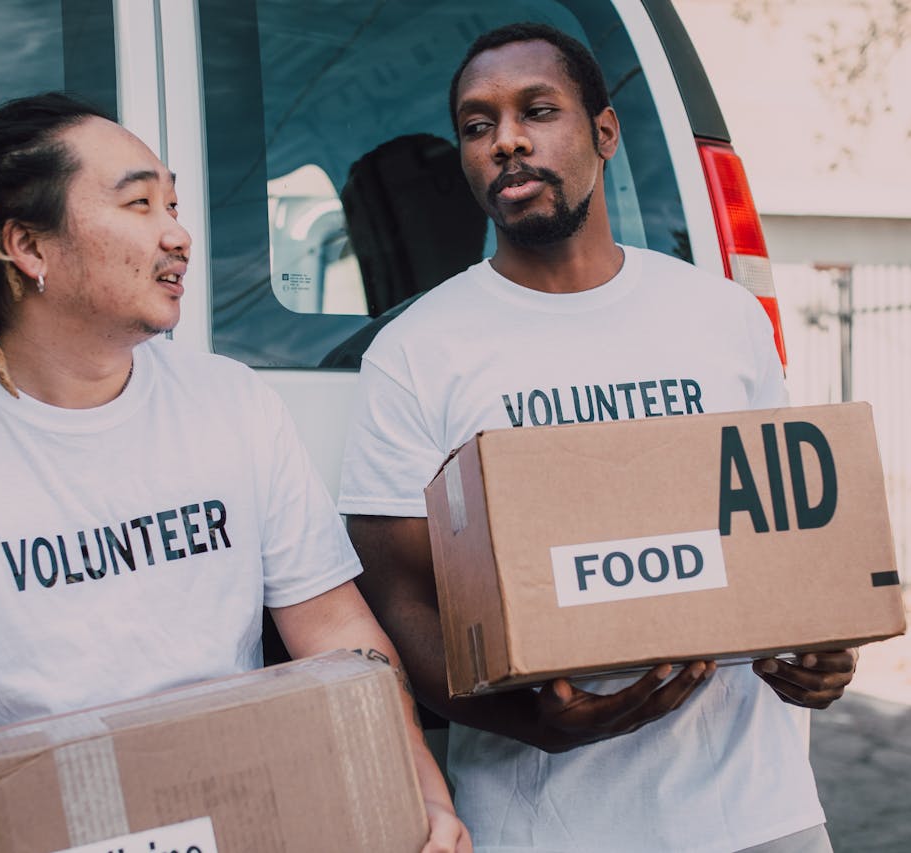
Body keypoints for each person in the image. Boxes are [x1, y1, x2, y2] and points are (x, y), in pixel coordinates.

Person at [0, 93, 468, 853]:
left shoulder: (232, 403)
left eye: (171, 203)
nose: (177, 233)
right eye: (139, 203)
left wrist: (424, 799)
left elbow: (338, 633)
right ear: (29, 248)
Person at [338, 23, 857, 853]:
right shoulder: (416, 351)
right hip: (549, 822)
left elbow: (782, 528)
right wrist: (529, 721)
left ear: (604, 133)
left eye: (537, 110)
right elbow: (397, 597)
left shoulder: (720, 316)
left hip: (758, 810)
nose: (506, 140)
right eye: (478, 126)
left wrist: (826, 649)